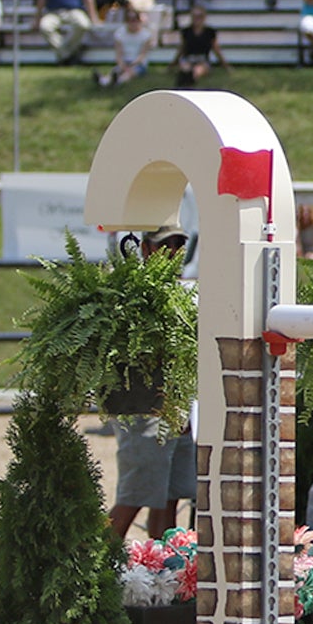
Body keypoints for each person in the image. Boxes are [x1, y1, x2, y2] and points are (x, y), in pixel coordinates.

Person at [108, 226, 196, 541]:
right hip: (143, 410)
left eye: (177, 244)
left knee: (170, 497)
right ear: (146, 249)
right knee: (134, 496)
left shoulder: (187, 293)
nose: (173, 251)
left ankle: (162, 568)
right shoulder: (131, 296)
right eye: (165, 245)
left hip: (177, 409)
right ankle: (92, 567)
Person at [96, 3, 154, 88]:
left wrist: (132, 65)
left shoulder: (146, 35)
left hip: (138, 63)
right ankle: (104, 81)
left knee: (129, 73)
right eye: (130, 20)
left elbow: (142, 54)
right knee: (116, 70)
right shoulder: (120, 33)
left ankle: (117, 82)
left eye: (134, 20)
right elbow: (119, 53)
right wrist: (122, 64)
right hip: (124, 61)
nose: (132, 23)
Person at [171, 3, 228, 86]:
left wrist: (225, 65)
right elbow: (182, 48)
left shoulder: (209, 32)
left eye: (199, 16)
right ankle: (184, 79)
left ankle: (191, 79)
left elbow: (216, 49)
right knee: (185, 68)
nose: (197, 19)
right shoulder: (186, 31)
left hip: (203, 59)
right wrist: (173, 63)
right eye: (194, 16)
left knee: (198, 70)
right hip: (189, 58)